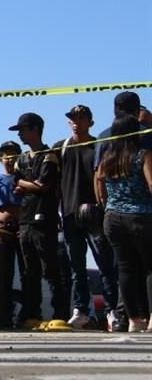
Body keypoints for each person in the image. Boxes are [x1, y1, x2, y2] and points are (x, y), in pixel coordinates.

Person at [53, 105, 119, 329]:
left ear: (90, 122)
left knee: (105, 264)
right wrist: (56, 212)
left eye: (81, 118)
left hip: (95, 215)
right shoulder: (60, 148)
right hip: (70, 213)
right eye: (72, 118)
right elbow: (53, 183)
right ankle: (81, 309)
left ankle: (111, 310)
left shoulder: (98, 145)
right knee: (76, 267)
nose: (76, 122)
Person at [93, 91, 150, 331]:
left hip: (113, 218)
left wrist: (107, 204)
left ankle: (134, 320)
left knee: (124, 268)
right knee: (150, 267)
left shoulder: (108, 157)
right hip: (141, 215)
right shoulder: (142, 155)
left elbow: (98, 181)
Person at [8, 112, 70, 326]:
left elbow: (44, 185)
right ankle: (32, 313)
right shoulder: (22, 159)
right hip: (25, 219)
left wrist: (25, 185)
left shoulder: (49, 155)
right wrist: (28, 184)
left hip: (45, 218)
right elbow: (16, 183)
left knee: (51, 269)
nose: (20, 135)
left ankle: (60, 313)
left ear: (35, 129)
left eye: (23, 130)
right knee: (29, 270)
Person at [0, 140, 26, 327]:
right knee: (3, 274)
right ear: (0, 158)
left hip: (23, 227)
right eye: (5, 155)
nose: (9, 159)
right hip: (3, 229)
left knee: (27, 272)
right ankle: (4, 316)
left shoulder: (25, 178)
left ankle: (28, 313)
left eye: (13, 155)